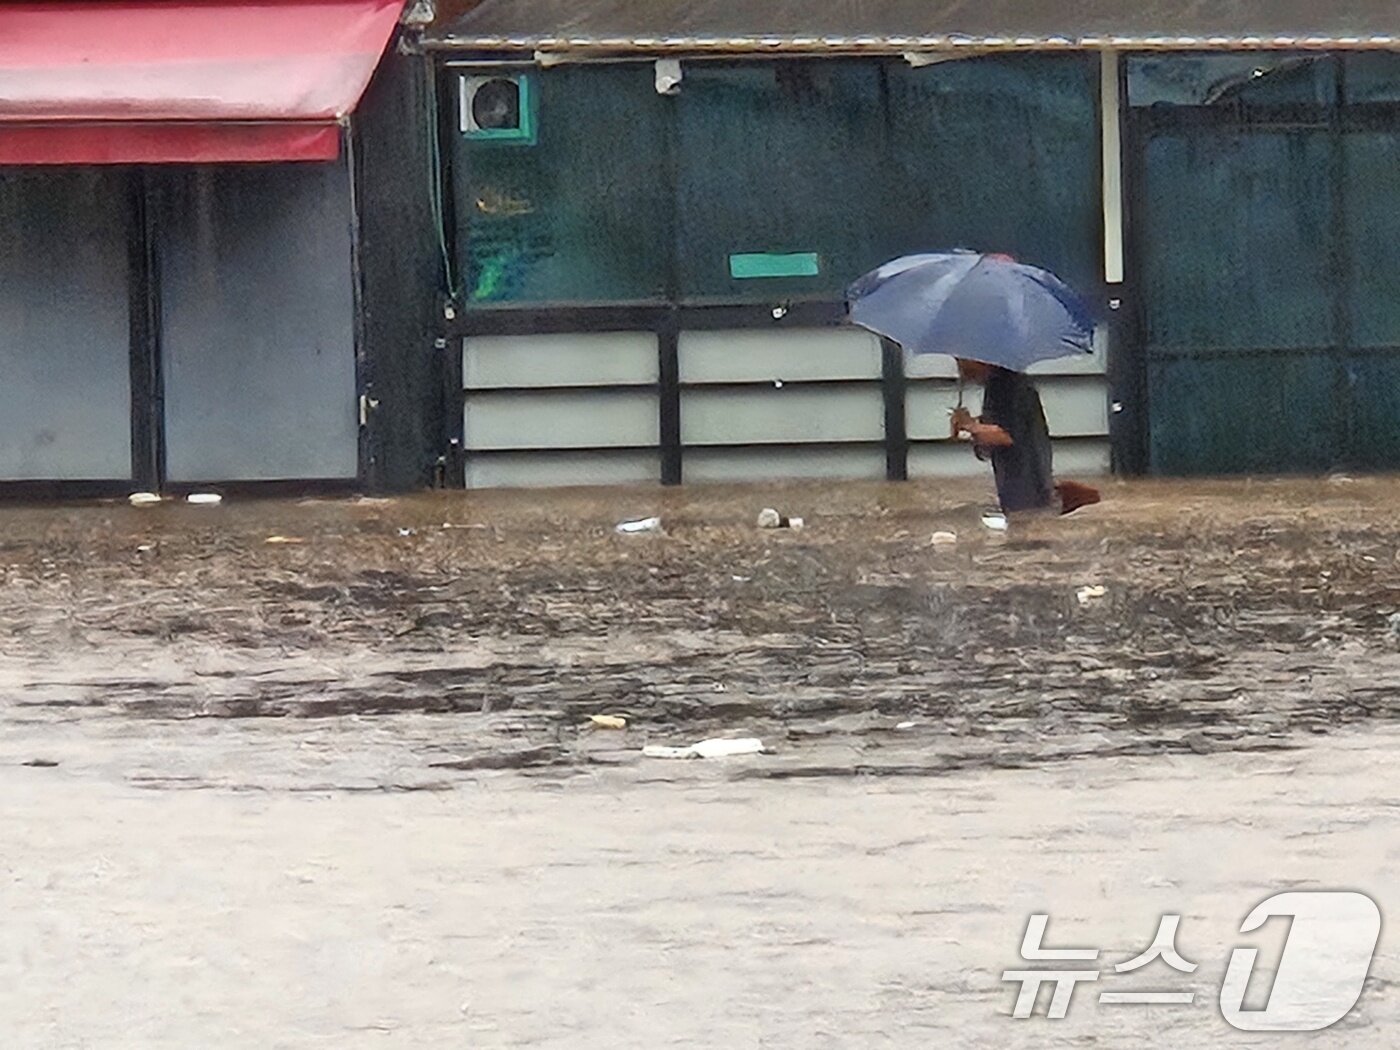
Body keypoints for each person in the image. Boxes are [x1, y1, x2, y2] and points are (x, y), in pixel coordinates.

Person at [949, 358, 1100, 516]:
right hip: (1021, 486)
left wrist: (970, 426)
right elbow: (993, 440)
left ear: (981, 359)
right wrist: (973, 428)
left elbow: (1004, 436)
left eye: (962, 361)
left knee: (1029, 530)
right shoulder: (1002, 385)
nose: (960, 368)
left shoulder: (1006, 388)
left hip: (1026, 490)